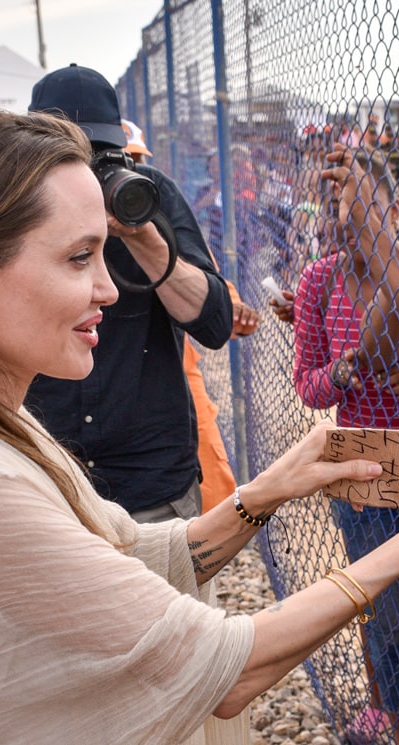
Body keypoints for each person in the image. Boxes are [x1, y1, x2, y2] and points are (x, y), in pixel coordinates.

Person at [0, 106, 399, 745]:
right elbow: (227, 667)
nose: (109, 291)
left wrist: (271, 488)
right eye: (79, 258)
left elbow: (128, 558)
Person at [25, 64, 234, 522]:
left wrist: (142, 236)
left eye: (99, 153)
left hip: (151, 484)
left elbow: (215, 323)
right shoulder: (14, 206)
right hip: (50, 485)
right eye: (67, 154)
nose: (86, 170)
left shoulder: (149, 194)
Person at [292, 149, 399, 744]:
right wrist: (346, 371)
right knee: (381, 606)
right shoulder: (319, 280)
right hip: (363, 470)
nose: (346, 218)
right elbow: (308, 386)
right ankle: (393, 714)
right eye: (338, 206)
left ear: (393, 208)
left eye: (360, 203)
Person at [121, 119, 260, 512]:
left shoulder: (161, 206)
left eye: (133, 162)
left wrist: (230, 307)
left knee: (208, 472)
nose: (120, 177)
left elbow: (204, 276)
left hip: (172, 368)